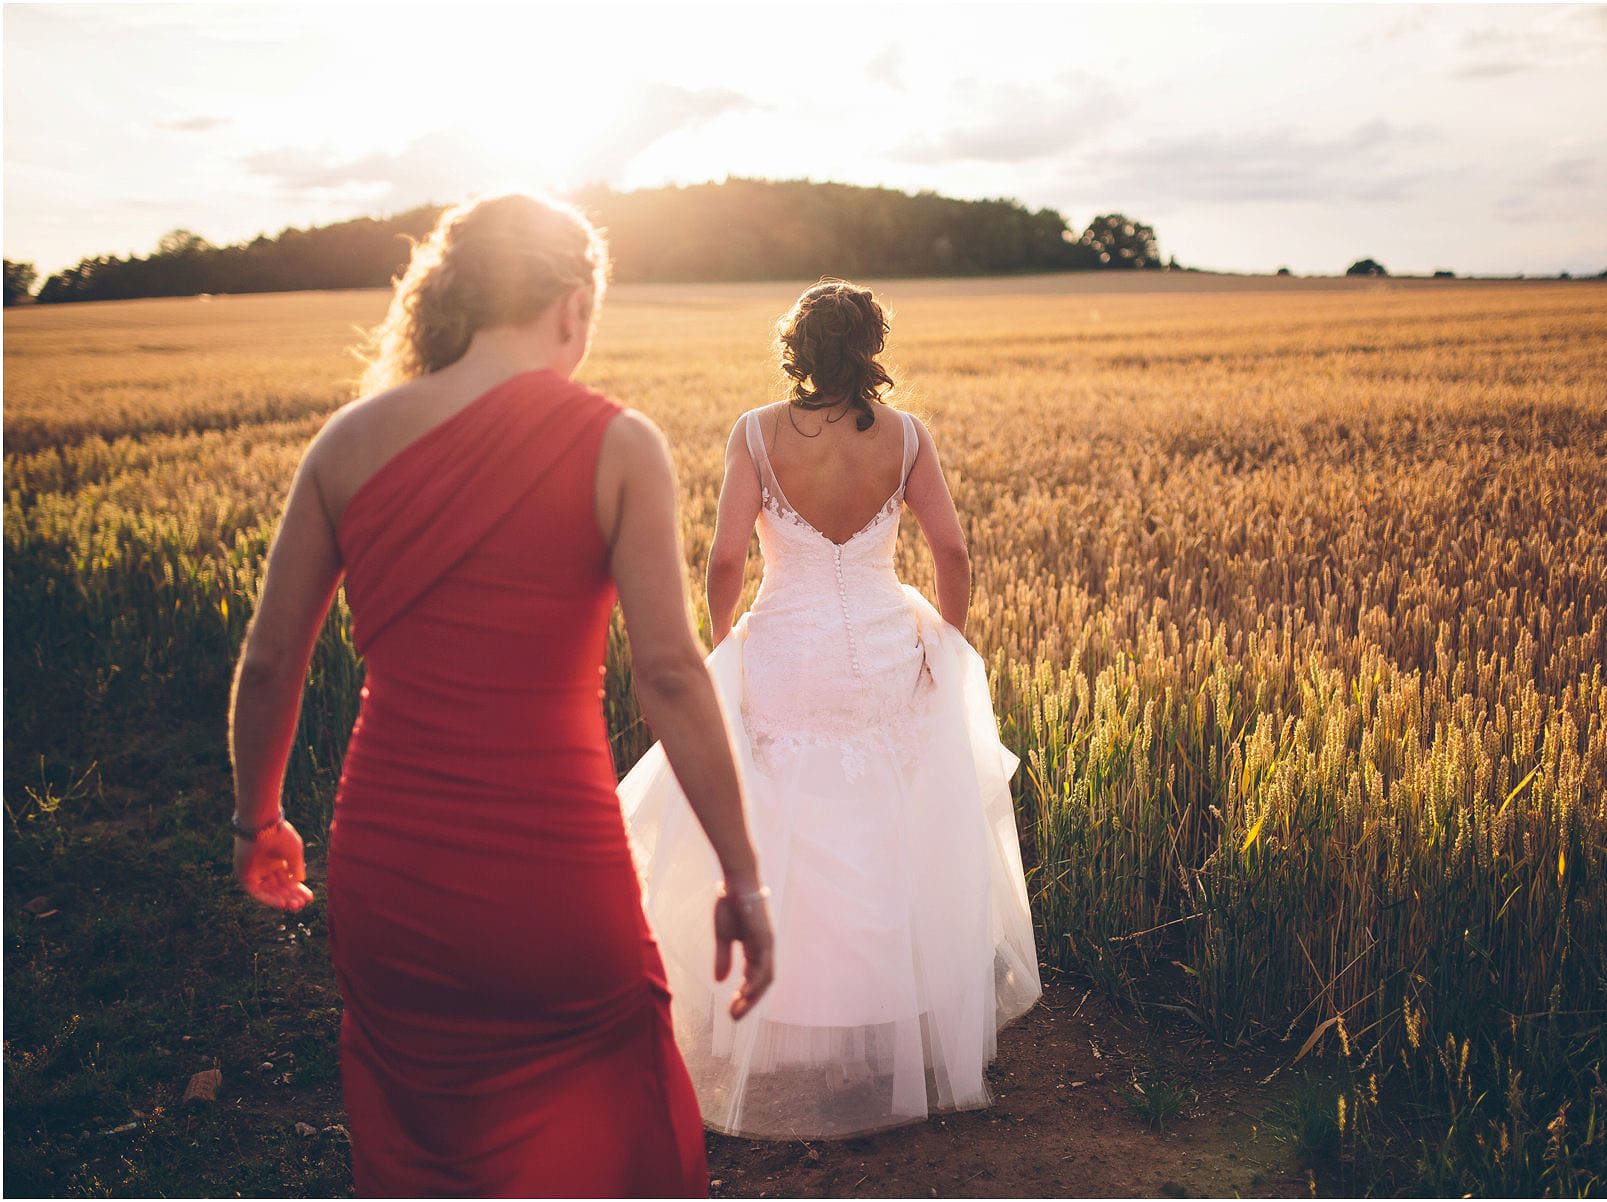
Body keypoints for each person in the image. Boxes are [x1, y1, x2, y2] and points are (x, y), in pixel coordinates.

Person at [225, 192, 773, 1196]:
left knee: (418, 1138)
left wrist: (257, 817)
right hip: (556, 880)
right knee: (616, 1129)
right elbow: (669, 673)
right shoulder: (619, 444)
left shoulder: (345, 445)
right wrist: (745, 878)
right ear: (571, 307)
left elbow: (269, 663)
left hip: (390, 865)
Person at [619, 279, 1040, 1140]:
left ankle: (786, 1019)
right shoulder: (906, 438)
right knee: (884, 829)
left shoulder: (757, 433)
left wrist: (725, 644)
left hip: (786, 650)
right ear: (871, 348)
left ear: (799, 350)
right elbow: (951, 552)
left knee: (786, 825)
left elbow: (725, 558)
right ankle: (882, 1028)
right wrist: (944, 645)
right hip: (886, 647)